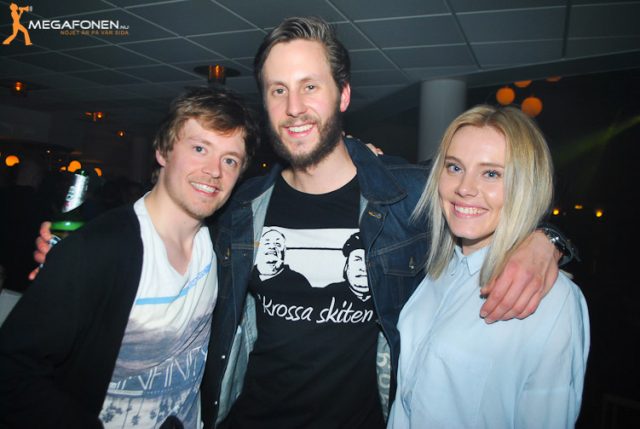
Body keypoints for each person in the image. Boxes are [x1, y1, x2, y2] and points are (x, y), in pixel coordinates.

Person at [201, 16, 570, 429]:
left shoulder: (405, 194)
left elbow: (499, 194)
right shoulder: (242, 207)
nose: (294, 107)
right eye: (278, 90)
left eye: (310, 86)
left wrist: (547, 239)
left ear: (342, 95)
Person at [0, 86, 259, 428]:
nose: (214, 171)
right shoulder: (97, 250)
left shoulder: (222, 243)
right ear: (163, 151)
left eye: (230, 160)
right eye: (199, 148)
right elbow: (12, 372)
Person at [387, 105, 590, 428]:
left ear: (525, 185)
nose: (465, 188)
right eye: (454, 167)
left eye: (491, 173)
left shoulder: (551, 300)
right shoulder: (433, 271)